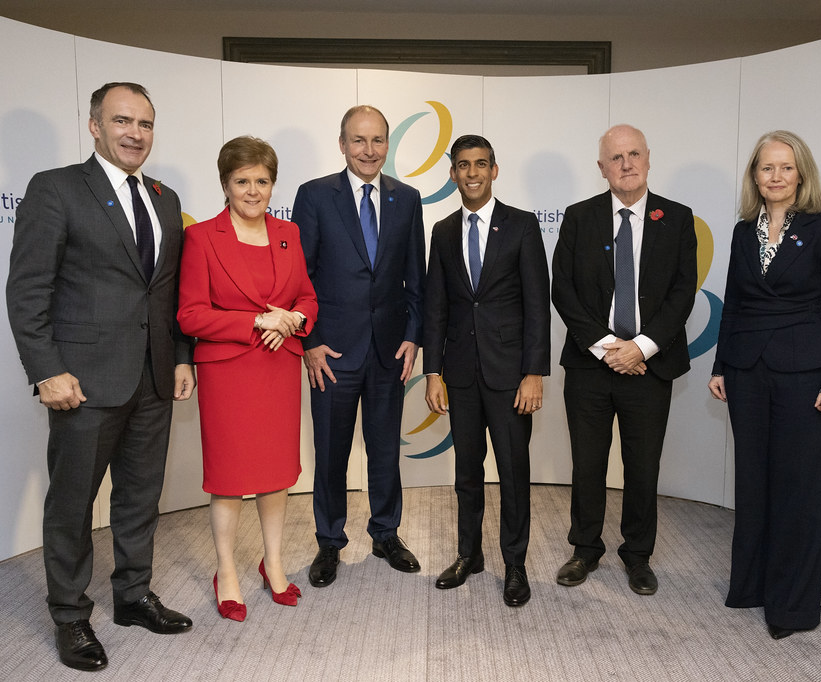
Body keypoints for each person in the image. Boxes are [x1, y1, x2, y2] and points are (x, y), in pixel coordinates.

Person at [6, 82, 195, 672]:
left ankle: (134, 595)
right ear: (94, 126)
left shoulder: (165, 198)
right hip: (81, 382)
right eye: (121, 121)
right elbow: (28, 288)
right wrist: (46, 371)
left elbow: (167, 292)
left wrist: (183, 355)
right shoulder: (56, 188)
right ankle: (70, 615)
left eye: (144, 123)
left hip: (153, 378)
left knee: (140, 498)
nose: (134, 133)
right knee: (72, 504)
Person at [708, 130, 821, 640]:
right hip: (747, 372)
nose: (775, 177)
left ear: (801, 174)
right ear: (755, 176)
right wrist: (721, 365)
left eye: (785, 168)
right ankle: (750, 586)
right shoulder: (742, 231)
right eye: (766, 168)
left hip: (804, 374)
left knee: (800, 489)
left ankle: (790, 608)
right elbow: (734, 304)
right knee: (754, 482)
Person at [551, 124, 697, 595]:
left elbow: (681, 292)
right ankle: (585, 549)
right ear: (602, 168)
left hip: (650, 366)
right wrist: (610, 347)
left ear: (649, 158)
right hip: (591, 366)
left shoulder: (676, 218)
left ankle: (638, 556)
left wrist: (642, 347)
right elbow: (563, 290)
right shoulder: (578, 217)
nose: (626, 164)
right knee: (588, 464)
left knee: (643, 467)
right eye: (616, 157)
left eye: (634, 154)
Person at [177, 136, 318, 622]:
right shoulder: (201, 238)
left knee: (277, 475)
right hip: (229, 374)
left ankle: (273, 563)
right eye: (242, 181)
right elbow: (190, 314)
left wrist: (293, 320)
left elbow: (308, 299)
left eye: (262, 181)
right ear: (225, 184)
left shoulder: (289, 233)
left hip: (278, 369)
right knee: (230, 479)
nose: (253, 191)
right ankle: (226, 571)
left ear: (273, 184)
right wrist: (257, 322)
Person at [291, 105, 426, 586]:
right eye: (358, 141)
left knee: (385, 449)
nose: (368, 151)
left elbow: (416, 274)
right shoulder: (314, 196)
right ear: (342, 143)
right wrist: (310, 341)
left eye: (377, 141)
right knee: (330, 452)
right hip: (332, 351)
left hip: (389, 351)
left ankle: (386, 534)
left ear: (388, 145)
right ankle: (329, 542)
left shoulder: (407, 199)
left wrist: (413, 336)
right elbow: (299, 275)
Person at [422, 135, 550, 607]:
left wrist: (534, 372)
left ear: (495, 171)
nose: (472, 172)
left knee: (514, 472)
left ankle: (514, 564)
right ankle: (468, 555)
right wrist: (433, 372)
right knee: (466, 472)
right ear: (452, 174)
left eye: (480, 164)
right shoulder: (441, 230)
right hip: (460, 373)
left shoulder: (521, 226)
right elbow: (435, 305)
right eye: (462, 165)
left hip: (511, 374)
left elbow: (538, 303)